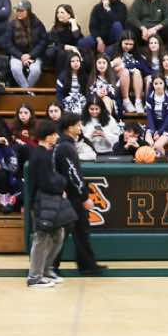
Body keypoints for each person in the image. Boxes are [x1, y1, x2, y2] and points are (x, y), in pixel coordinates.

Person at [56, 112, 104, 275]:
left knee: (79, 231)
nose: (80, 127)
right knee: (67, 232)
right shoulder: (66, 147)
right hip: (71, 197)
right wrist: (84, 196)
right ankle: (52, 265)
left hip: (70, 195)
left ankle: (87, 265)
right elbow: (73, 174)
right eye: (77, 125)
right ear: (69, 128)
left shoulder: (66, 145)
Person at [25, 119, 71, 287]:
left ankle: (45, 270)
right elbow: (46, 182)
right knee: (41, 237)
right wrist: (62, 185)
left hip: (47, 201)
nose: (57, 137)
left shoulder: (45, 153)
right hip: (41, 202)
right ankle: (34, 277)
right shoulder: (41, 155)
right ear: (47, 136)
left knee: (58, 234)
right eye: (54, 134)